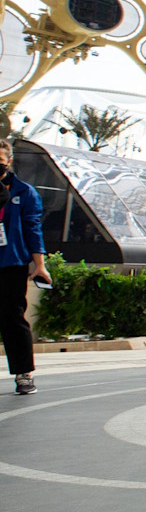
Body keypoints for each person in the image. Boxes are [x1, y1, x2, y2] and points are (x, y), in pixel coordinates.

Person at [0, 139, 46, 395]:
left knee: (12, 319)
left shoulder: (24, 192)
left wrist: (39, 264)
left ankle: (23, 374)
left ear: (9, 161)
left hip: (11, 263)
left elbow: (33, 228)